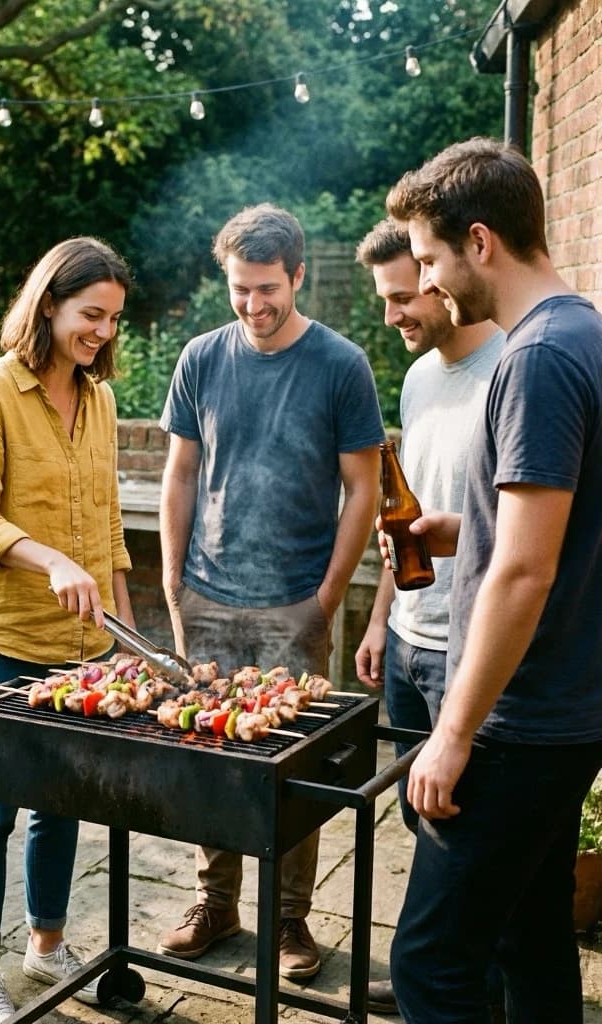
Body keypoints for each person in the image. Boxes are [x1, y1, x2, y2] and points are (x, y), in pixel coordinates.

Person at [384, 137, 602, 1023]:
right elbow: (557, 524)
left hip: (519, 719)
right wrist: (460, 527)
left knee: (431, 965)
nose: (429, 284)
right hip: (567, 712)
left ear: (480, 242)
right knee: (531, 932)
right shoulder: (585, 328)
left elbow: (524, 569)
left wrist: (453, 733)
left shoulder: (537, 358)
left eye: (431, 259)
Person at [156, 203, 384, 979]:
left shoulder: (341, 364)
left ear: (296, 276)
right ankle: (215, 904)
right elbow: (181, 472)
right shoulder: (200, 358)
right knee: (211, 755)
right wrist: (171, 577)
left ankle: (290, 920)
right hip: (209, 593)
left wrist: (326, 597)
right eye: (239, 290)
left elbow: (364, 488)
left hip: (297, 599)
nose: (252, 305)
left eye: (265, 289)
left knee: (295, 765)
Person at [0, 236, 136, 1023]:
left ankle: (47, 944)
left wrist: (126, 630)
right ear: (49, 302)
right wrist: (52, 560)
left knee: (65, 803)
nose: (102, 332)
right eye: (92, 314)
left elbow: (112, 526)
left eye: (114, 319)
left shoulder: (101, 399)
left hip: (82, 647)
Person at [353, 218, 504, 1015]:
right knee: (425, 830)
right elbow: (404, 519)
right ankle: (437, 972)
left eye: (404, 297)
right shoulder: (417, 380)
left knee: (466, 843)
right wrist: (382, 619)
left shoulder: (509, 370)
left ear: (442, 278)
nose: (394, 316)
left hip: (468, 656)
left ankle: (450, 984)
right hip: (412, 644)